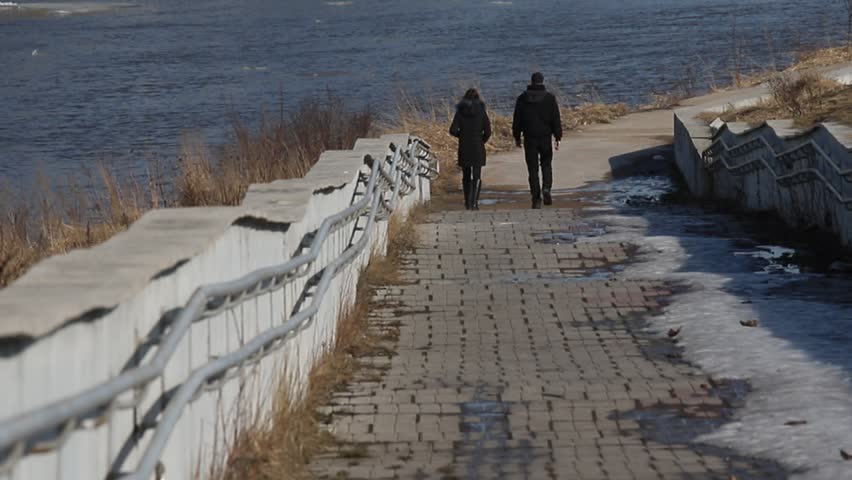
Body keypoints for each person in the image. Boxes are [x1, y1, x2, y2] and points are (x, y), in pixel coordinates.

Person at [512, 72, 562, 209]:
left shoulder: (522, 99)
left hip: (529, 137)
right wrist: (557, 136)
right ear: (542, 81)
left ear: (531, 81)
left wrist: (517, 136)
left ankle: (536, 198)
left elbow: (517, 120)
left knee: (532, 169)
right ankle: (546, 189)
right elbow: (555, 119)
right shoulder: (549, 98)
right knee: (546, 165)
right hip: (545, 136)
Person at [449, 88, 492, 210]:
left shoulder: (460, 112)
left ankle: (468, 202)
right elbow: (488, 131)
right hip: (478, 145)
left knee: (466, 174)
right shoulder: (482, 112)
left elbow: (452, 130)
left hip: (464, 146)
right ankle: (475, 202)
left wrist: (462, 136)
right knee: (477, 174)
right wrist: (481, 139)